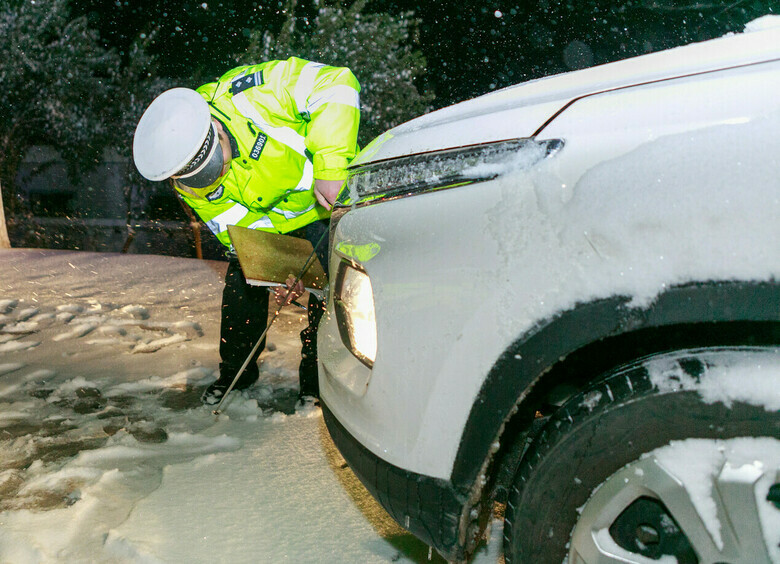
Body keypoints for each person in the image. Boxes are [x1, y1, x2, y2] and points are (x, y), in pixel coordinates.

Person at [132, 57, 360, 405]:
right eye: (204, 180)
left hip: (326, 206)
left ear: (215, 129)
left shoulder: (254, 93)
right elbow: (240, 230)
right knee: (242, 283)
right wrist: (276, 272)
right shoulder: (188, 183)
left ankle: (316, 382)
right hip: (278, 229)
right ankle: (236, 375)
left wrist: (331, 164)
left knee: (328, 290)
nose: (218, 176)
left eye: (218, 163)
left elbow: (337, 83)